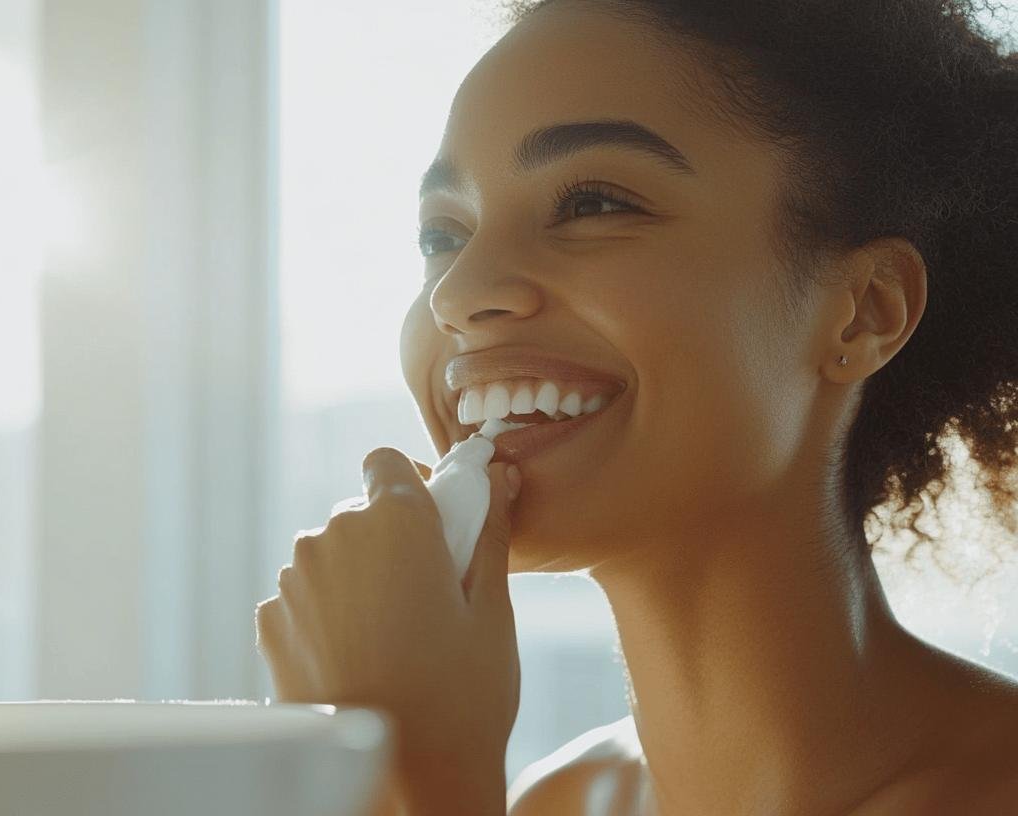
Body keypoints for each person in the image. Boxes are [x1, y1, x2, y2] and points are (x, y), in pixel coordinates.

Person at [253, 0, 1018, 813]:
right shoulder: (552, 800)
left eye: (593, 204)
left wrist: (407, 770)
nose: (460, 292)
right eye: (444, 234)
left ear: (864, 311)